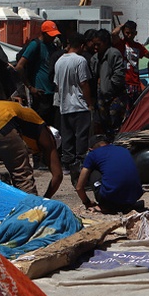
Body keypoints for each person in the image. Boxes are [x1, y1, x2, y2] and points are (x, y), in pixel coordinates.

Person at [0, 100, 63, 198]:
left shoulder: (27, 122)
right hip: (0, 121)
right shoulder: (45, 132)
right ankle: (31, 208)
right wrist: (45, 200)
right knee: (21, 174)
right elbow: (58, 175)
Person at [52, 32, 94, 183]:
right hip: (80, 105)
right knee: (81, 136)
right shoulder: (80, 61)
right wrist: (90, 103)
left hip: (65, 106)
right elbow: (84, 83)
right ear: (82, 46)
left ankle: (67, 165)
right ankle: (81, 164)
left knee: (67, 137)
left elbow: (56, 85)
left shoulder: (59, 61)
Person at [76, 135, 144, 214]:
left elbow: (79, 187)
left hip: (110, 199)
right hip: (134, 196)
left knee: (92, 170)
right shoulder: (123, 150)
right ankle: (125, 205)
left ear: (90, 149)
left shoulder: (93, 154)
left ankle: (105, 206)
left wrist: (87, 202)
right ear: (109, 143)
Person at [111, 20, 149, 112]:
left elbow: (148, 54)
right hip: (124, 82)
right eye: (127, 33)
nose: (129, 35)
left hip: (135, 83)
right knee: (123, 108)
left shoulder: (138, 46)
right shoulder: (120, 44)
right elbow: (113, 33)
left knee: (134, 108)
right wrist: (122, 25)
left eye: (132, 33)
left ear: (135, 33)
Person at [15, 21, 62, 126]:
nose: (53, 38)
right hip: (40, 93)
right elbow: (19, 67)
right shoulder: (35, 45)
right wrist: (30, 87)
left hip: (52, 93)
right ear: (43, 33)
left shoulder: (52, 47)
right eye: (51, 35)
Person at [90, 28, 126, 141]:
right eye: (94, 44)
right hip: (101, 97)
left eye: (98, 44)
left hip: (115, 96)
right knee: (104, 125)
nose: (95, 47)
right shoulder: (95, 58)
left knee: (115, 124)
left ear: (105, 42)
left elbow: (119, 75)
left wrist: (109, 88)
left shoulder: (114, 54)